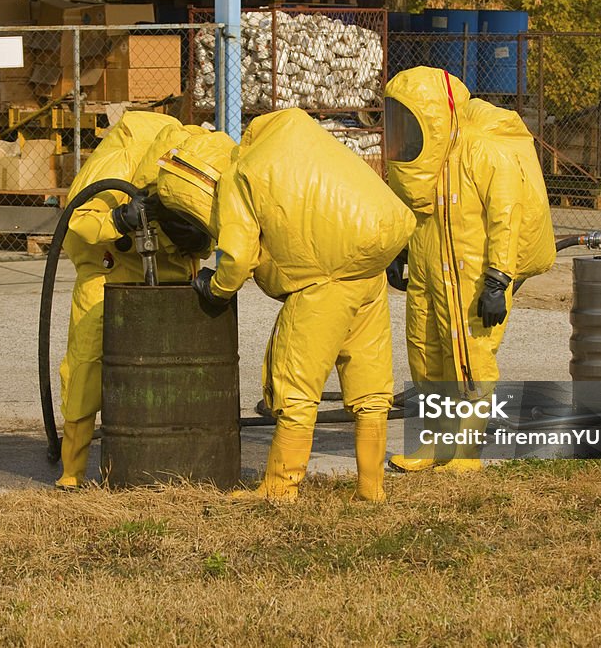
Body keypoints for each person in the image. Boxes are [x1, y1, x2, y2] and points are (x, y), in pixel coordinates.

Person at [155, 110, 416, 502]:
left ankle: (280, 488)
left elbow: (239, 257)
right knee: (370, 384)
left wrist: (217, 287)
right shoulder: (302, 145)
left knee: (294, 385)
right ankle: (371, 488)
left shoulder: (241, 175)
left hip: (323, 282)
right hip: (368, 271)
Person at [383, 66, 556, 473]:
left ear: (436, 118)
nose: (403, 130)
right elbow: (414, 211)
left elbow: (505, 219)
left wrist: (498, 279)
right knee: (426, 358)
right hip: (427, 275)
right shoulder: (422, 163)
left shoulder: (483, 151)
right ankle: (434, 444)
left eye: (410, 119)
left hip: (473, 278)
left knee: (469, 361)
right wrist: (399, 252)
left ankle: (466, 453)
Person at [56, 113, 213, 489]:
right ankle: (72, 470)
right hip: (110, 271)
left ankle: (175, 454)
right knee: (87, 363)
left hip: (172, 269)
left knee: (178, 367)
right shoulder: (121, 159)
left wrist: (198, 240)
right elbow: (77, 221)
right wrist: (121, 219)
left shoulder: (201, 159)